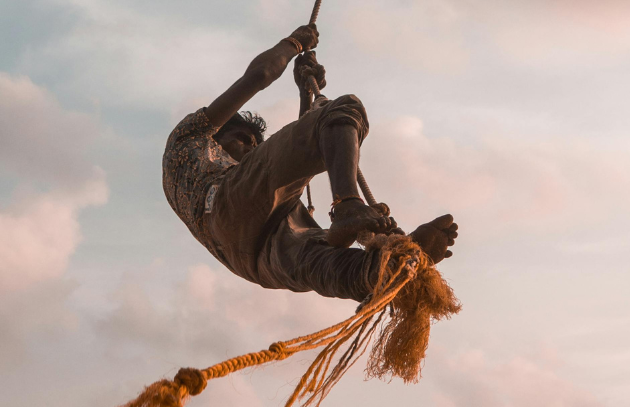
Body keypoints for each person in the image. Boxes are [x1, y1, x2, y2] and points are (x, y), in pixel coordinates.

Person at [161, 24, 455, 304]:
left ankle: (393, 269)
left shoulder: (243, 179)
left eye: (255, 145)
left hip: (253, 259)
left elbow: (288, 165)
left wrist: (305, 93)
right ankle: (347, 205)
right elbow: (260, 74)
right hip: (227, 212)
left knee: (325, 263)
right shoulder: (191, 137)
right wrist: (293, 43)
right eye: (242, 140)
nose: (251, 150)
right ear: (218, 136)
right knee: (343, 109)